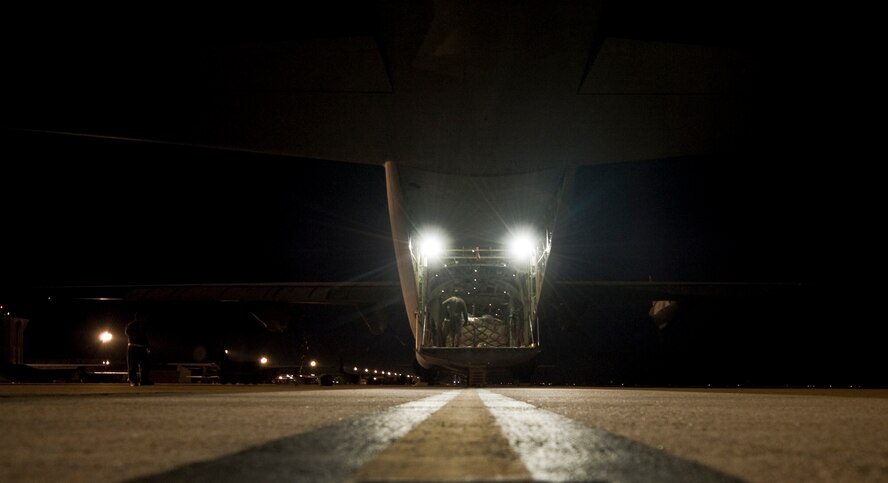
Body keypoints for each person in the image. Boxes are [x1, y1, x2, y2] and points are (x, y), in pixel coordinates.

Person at [126, 312, 153, 386]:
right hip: (135, 346)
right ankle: (136, 381)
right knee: (134, 365)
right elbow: (143, 337)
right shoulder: (132, 325)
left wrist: (147, 347)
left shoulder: (139, 325)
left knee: (143, 365)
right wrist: (147, 346)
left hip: (138, 347)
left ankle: (141, 380)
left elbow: (145, 337)